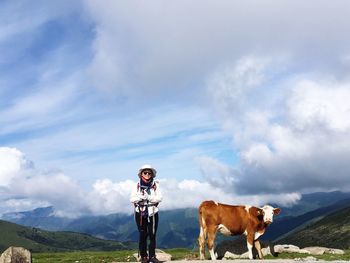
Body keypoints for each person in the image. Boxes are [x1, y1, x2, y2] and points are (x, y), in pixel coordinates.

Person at [130, 164, 163, 263]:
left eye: (149, 173)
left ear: (152, 174)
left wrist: (148, 198)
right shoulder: (136, 186)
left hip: (152, 212)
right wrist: (140, 198)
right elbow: (131, 198)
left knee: (152, 235)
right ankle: (144, 256)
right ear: (141, 174)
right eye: (145, 173)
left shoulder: (155, 185)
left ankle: (152, 256)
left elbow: (160, 198)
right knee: (142, 234)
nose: (147, 174)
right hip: (140, 213)